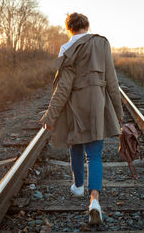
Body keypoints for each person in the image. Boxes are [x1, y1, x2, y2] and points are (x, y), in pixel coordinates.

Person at [40, 12, 123, 224]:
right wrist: (119, 114)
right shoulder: (101, 43)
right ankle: (95, 200)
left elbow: (63, 88)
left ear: (69, 29)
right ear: (87, 25)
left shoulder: (66, 49)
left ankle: (78, 186)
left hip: (74, 106)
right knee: (94, 155)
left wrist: (50, 115)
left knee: (75, 146)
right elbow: (112, 82)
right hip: (97, 105)